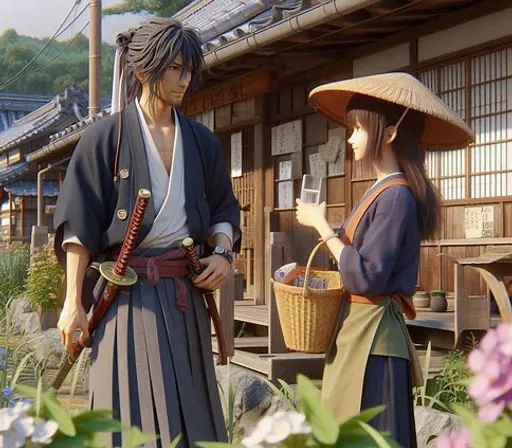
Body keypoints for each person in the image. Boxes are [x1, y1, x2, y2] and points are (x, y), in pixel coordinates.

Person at [53, 18, 241, 448]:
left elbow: (224, 208)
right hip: (125, 296)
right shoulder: (104, 139)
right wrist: (72, 304)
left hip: (183, 295)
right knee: (127, 419)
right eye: (174, 68)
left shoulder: (201, 142)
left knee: (193, 416)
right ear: (143, 72)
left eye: (189, 70)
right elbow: (79, 224)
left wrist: (224, 253)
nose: (184, 79)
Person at [296, 72, 474, 447]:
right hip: (358, 332)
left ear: (389, 134)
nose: (350, 137)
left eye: (358, 128)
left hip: (373, 337)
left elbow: (366, 278)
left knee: (372, 436)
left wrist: (321, 228)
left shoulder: (396, 197)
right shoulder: (381, 191)